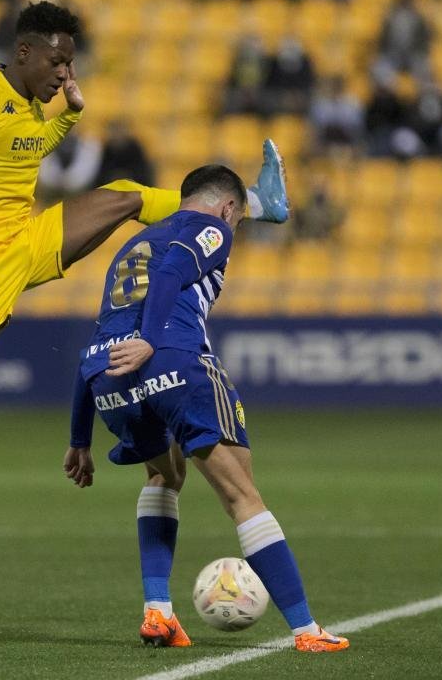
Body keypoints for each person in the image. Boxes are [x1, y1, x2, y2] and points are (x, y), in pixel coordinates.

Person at [0, 1, 290, 517]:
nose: (64, 74)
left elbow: (26, 149)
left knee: (124, 195)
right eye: (57, 63)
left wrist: (70, 118)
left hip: (30, 237)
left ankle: (256, 204)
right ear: (23, 52)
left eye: (69, 64)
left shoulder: (39, 102)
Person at [63, 165, 349, 653]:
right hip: (173, 359)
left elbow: (98, 343)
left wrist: (80, 439)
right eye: (237, 221)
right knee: (241, 494)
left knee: (164, 476)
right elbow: (175, 272)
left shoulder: (136, 244)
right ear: (228, 208)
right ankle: (306, 631)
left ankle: (159, 613)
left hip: (106, 379)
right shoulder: (212, 225)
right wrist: (152, 341)